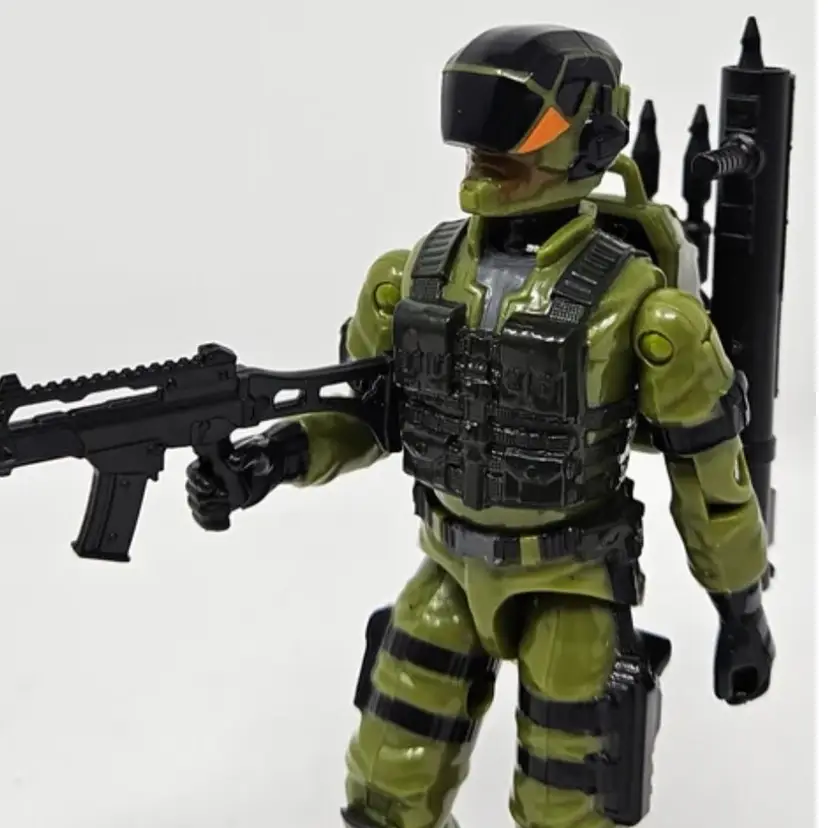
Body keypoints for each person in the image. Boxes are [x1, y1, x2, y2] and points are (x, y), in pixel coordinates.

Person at [186, 25, 775, 828]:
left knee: (565, 809)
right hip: (448, 569)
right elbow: (362, 417)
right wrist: (271, 458)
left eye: (509, 125)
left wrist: (741, 609)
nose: (481, 150)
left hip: (572, 583)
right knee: (385, 792)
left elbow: (710, 479)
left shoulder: (644, 309)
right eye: (470, 119)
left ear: (589, 137)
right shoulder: (411, 280)